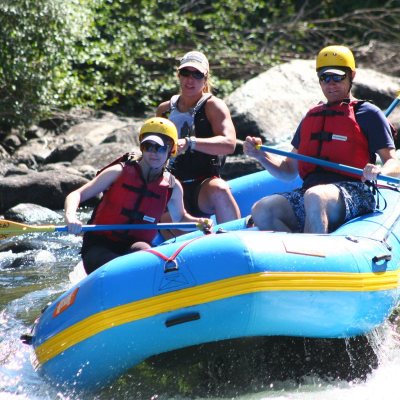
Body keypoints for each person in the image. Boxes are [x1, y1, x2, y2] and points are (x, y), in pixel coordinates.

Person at [244, 45, 400, 234]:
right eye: (325, 77)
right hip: (312, 191)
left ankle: (314, 258)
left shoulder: (368, 113)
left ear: (352, 75)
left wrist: (379, 170)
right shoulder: (312, 116)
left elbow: (393, 162)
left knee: (315, 196)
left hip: (356, 191)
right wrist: (261, 156)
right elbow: (288, 171)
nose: (331, 83)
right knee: (263, 210)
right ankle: (293, 258)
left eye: (337, 76)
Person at [64, 117, 212, 274]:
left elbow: (180, 218)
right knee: (117, 266)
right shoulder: (118, 172)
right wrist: (70, 217)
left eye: (161, 148)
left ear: (171, 150)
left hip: (133, 245)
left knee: (146, 257)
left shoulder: (172, 186)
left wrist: (199, 222)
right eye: (149, 146)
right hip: (99, 245)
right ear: (142, 147)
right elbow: (77, 194)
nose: (153, 152)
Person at [156, 50, 240, 227]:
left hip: (203, 185)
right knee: (165, 222)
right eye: (185, 73)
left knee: (220, 190)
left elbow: (229, 144)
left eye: (197, 74)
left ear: (205, 78)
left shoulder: (213, 106)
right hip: (171, 186)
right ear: (179, 75)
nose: (190, 79)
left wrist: (190, 143)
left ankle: (232, 239)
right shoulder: (164, 110)